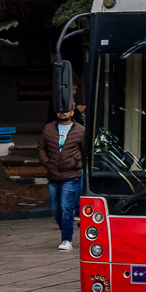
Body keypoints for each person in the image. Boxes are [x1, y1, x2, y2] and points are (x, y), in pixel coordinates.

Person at [38, 107, 86, 250]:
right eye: (60, 110)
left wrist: (78, 164)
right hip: (53, 175)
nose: (62, 112)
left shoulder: (80, 130)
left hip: (71, 175)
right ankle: (65, 229)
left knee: (66, 207)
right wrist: (46, 162)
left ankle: (66, 239)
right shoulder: (48, 129)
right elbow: (41, 147)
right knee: (55, 208)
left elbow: (86, 152)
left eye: (66, 110)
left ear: (72, 112)